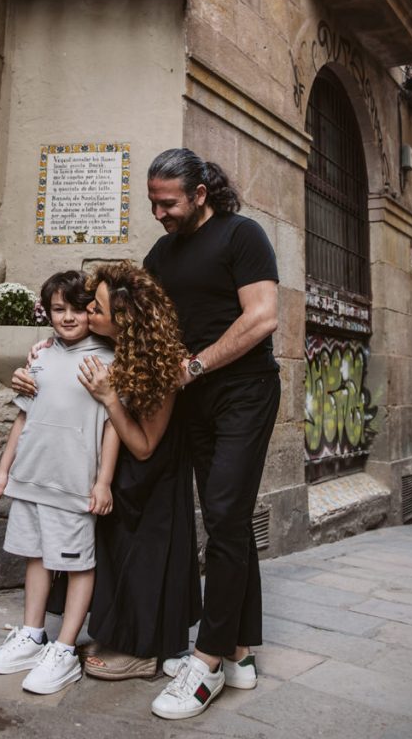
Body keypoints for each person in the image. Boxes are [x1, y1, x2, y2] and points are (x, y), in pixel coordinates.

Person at [15, 261, 202, 681]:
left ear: (124, 319)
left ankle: (146, 651)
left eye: (95, 308)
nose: (87, 314)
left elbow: (145, 445)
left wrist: (109, 397)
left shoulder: (162, 363)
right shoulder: (109, 347)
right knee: (110, 552)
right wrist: (40, 353)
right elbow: (64, 357)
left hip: (153, 473)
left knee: (144, 558)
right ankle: (114, 634)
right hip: (112, 466)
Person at [144, 148, 280, 722]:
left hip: (244, 392)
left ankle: (207, 660)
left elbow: (263, 316)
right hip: (193, 401)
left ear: (200, 194)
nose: (159, 213)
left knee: (224, 513)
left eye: (168, 202)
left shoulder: (242, 236)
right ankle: (241, 651)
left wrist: (195, 365)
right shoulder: (161, 252)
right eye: (153, 202)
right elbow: (133, 318)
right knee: (226, 517)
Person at [0, 270, 119, 695]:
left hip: (74, 484)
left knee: (78, 564)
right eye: (59, 309)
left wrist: (104, 482)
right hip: (30, 479)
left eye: (79, 308)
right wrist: (5, 469)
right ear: (48, 313)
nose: (69, 317)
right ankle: (31, 634)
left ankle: (64, 648)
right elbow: (23, 417)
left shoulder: (108, 359)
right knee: (36, 556)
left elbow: (113, 425)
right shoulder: (39, 356)